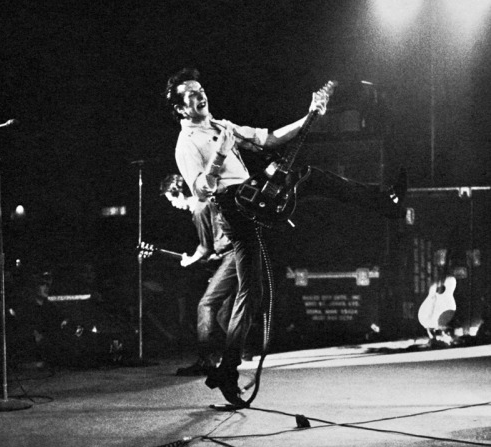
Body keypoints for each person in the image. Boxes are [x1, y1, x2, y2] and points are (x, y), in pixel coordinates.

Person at [165, 67, 407, 407]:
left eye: (200, 88)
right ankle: (227, 368)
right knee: (251, 292)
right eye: (190, 94)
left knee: (308, 177)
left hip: (252, 197)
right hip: (234, 208)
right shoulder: (186, 143)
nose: (200, 94)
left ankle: (385, 201)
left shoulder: (222, 126)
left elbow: (271, 138)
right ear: (180, 108)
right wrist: (219, 155)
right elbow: (201, 191)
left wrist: (309, 115)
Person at [160, 173, 239, 376]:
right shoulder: (209, 202)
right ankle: (234, 355)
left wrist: (190, 260)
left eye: (171, 199)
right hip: (235, 253)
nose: (172, 205)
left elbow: (204, 248)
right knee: (223, 313)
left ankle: (206, 361)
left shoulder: (199, 208)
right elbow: (217, 241)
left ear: (179, 193)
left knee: (206, 305)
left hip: (232, 257)